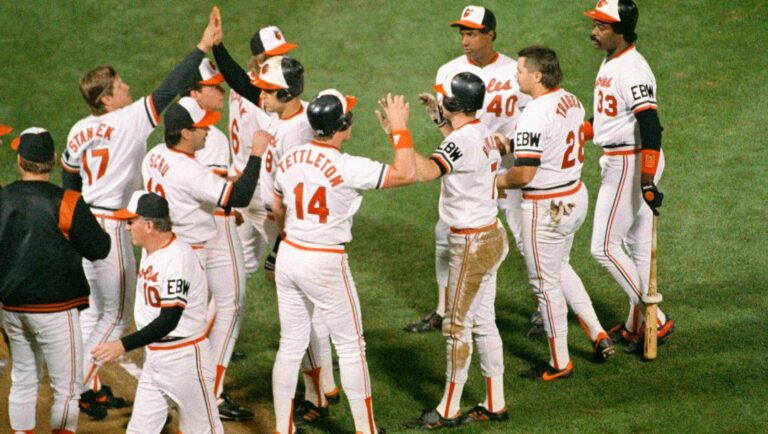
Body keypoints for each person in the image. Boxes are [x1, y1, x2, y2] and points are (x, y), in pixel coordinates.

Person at [61, 11, 220, 413]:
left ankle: (86, 384)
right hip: (113, 228)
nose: (128, 87)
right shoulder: (129, 120)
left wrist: (73, 225)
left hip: (83, 222)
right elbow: (169, 89)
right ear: (107, 99)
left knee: (94, 310)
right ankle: (75, 389)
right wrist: (201, 47)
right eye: (120, 85)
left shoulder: (78, 129)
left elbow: (69, 179)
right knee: (114, 319)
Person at [210, 7, 341, 422]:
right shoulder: (272, 101)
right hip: (258, 206)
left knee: (300, 307)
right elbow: (244, 86)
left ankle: (321, 388)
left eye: (281, 55)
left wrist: (281, 246)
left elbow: (292, 194)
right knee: (232, 291)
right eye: (270, 56)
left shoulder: (285, 117)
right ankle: (321, 387)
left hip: (280, 218)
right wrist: (218, 49)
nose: (275, 62)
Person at [271, 89, 416, 434]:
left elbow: (277, 208)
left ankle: (281, 428)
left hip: (290, 254)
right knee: (351, 347)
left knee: (291, 343)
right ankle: (366, 430)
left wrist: (292, 236)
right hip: (324, 260)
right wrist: (399, 129)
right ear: (344, 124)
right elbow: (406, 173)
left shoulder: (290, 157)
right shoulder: (349, 166)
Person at [391, 71, 509, 429]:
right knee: (483, 322)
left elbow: (423, 171)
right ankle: (494, 401)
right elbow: (460, 153)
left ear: (455, 103)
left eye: (445, 97)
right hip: (492, 236)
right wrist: (440, 120)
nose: (439, 98)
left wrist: (399, 132)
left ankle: (448, 409)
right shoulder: (480, 132)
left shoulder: (463, 141)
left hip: (473, 245)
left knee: (457, 327)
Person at [404, 4, 530, 334]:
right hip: (469, 171)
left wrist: (513, 146)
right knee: (444, 235)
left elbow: (534, 121)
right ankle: (443, 311)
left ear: (490, 34)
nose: (465, 39)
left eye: (472, 33)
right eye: (462, 32)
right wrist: (437, 119)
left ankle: (547, 309)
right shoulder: (448, 71)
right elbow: (452, 129)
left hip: (508, 168)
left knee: (525, 239)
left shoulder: (514, 72)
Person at [142, 95, 265, 420]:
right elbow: (237, 196)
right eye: (202, 127)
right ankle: (197, 404)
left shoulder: (153, 156)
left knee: (166, 330)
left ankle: (166, 397)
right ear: (184, 133)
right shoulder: (188, 171)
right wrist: (256, 155)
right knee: (187, 339)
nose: (208, 132)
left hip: (160, 254)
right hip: (189, 259)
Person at [496, 46, 614, 382]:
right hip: (575, 197)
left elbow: (523, 175)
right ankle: (597, 332)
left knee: (544, 285)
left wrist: (496, 181)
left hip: (546, 207)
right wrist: (507, 142)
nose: (514, 74)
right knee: (560, 268)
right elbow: (546, 141)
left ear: (536, 76)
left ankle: (559, 362)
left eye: (520, 70)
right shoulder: (571, 100)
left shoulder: (534, 113)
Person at [0, 127, 110, 432]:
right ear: (51, 161)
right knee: (68, 388)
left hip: (12, 308)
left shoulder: (3, 198)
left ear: (20, 161)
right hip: (56, 310)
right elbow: (100, 249)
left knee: (23, 377)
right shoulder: (68, 202)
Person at [92, 191, 224, 434]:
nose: (127, 227)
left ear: (149, 225)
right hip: (156, 359)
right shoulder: (151, 250)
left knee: (206, 430)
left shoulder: (178, 258)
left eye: (131, 222)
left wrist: (123, 344)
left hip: (185, 360)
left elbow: (169, 320)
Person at [583, 0, 674, 349]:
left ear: (620, 31)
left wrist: (647, 178)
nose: (594, 31)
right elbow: (608, 118)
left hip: (630, 163)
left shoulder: (633, 69)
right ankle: (637, 324)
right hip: (625, 158)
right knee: (636, 248)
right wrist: (578, 132)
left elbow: (650, 123)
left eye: (602, 26)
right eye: (595, 24)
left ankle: (656, 319)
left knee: (604, 248)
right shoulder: (612, 61)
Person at [184, 58, 254, 420]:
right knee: (232, 303)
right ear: (194, 91)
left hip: (186, 230)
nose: (221, 91)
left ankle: (201, 378)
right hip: (212, 228)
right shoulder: (207, 133)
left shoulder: (180, 121)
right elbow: (211, 192)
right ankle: (211, 390)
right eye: (213, 86)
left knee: (199, 306)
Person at [228, 25, 297, 278]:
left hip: (239, 178)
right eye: (275, 56)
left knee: (241, 268)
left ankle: (208, 315)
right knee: (290, 264)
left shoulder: (242, 85)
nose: (283, 60)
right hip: (260, 188)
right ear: (260, 60)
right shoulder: (265, 98)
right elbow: (276, 144)